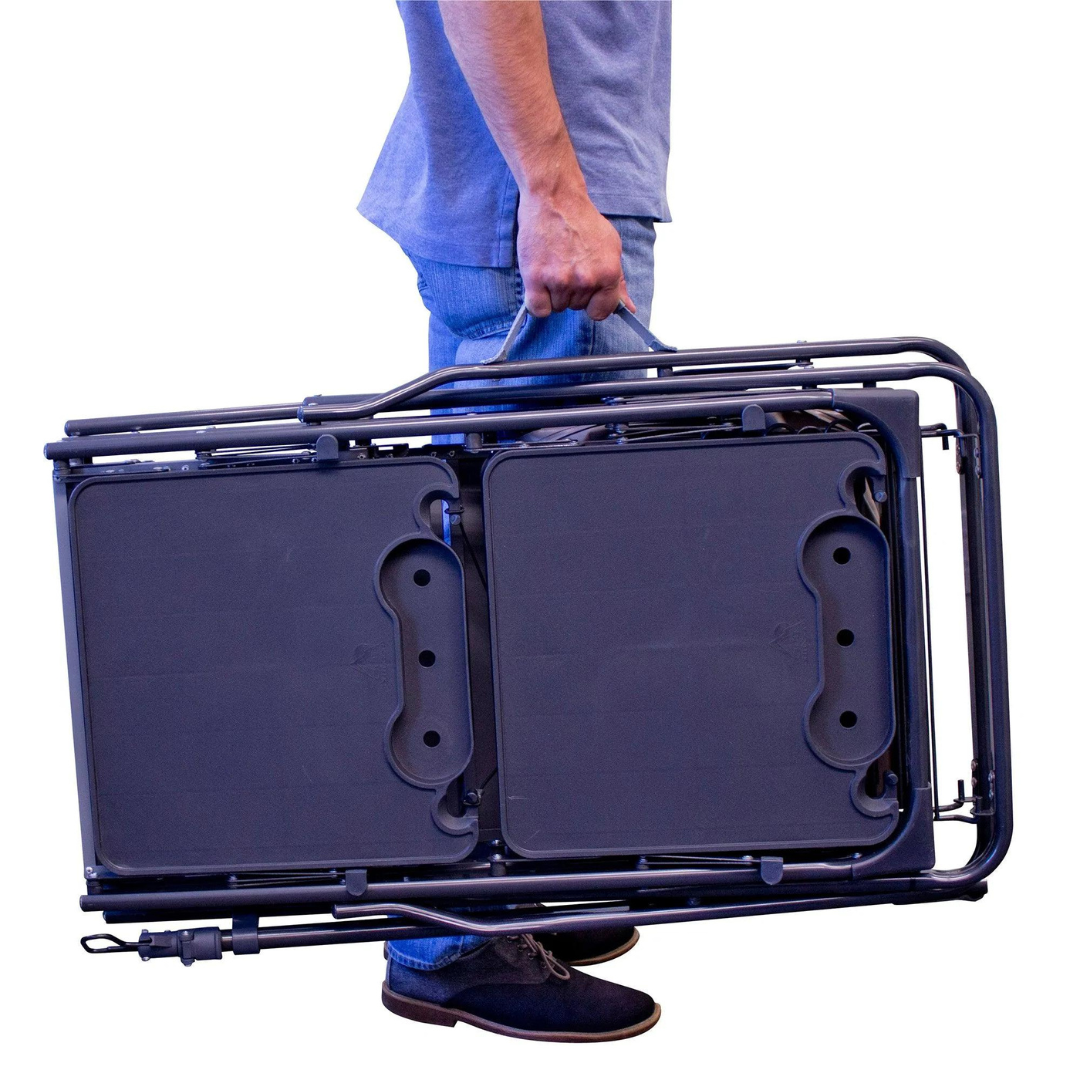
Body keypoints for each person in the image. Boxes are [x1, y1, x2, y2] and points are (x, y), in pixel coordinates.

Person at [358, 0, 671, 1041]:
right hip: (531, 209)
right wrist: (552, 191)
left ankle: (508, 882)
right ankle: (451, 935)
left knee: (526, 576)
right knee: (512, 583)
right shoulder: (541, 199)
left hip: (530, 197)